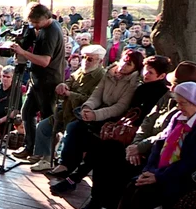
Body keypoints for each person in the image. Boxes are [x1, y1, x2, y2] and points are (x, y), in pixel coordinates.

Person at [103, 82, 196, 209]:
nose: (179, 107)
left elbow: (190, 163)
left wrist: (158, 177)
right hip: (159, 171)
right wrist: (149, 170)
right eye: (177, 103)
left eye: (183, 103)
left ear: (195, 102)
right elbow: (160, 143)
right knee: (133, 184)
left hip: (180, 178)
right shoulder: (177, 117)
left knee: (144, 194)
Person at [48, 50, 144, 191]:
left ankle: (74, 177)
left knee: (94, 141)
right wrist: (87, 108)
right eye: (123, 60)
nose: (123, 65)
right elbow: (96, 95)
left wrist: (96, 115)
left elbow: (120, 107)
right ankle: (66, 165)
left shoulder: (134, 82)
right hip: (97, 112)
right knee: (74, 127)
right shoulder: (109, 73)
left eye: (129, 64)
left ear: (135, 68)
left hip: (114, 119)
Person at [28, 45, 106, 172]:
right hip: (65, 112)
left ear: (100, 61)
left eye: (90, 59)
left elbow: (92, 100)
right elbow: (70, 81)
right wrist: (63, 85)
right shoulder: (81, 71)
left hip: (82, 117)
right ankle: (46, 159)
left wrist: (70, 95)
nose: (85, 61)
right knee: (42, 127)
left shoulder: (101, 77)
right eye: (84, 57)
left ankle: (65, 165)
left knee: (69, 134)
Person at [11, 4, 66, 160]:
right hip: (37, 80)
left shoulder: (51, 32)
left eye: (36, 23)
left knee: (47, 119)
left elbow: (45, 61)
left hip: (49, 82)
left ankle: (45, 154)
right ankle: (30, 147)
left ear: (46, 18)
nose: (34, 26)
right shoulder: (42, 28)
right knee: (27, 112)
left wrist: (23, 53)